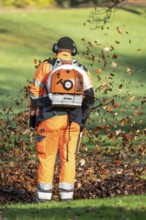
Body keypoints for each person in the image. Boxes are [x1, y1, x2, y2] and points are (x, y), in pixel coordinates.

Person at [29, 37, 95, 201]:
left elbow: (34, 96)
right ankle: (67, 197)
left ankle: (43, 198)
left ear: (55, 49)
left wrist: (33, 120)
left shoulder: (45, 66)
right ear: (73, 51)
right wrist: (82, 121)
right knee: (68, 157)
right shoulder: (81, 69)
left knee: (47, 157)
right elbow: (90, 97)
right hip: (73, 121)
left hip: (48, 120)